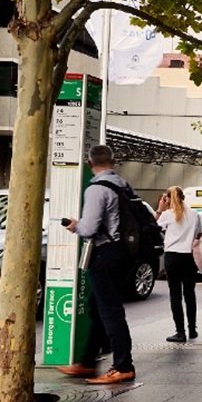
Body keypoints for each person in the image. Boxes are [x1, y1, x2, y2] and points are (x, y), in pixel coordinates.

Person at [57, 145, 136, 384]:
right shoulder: (123, 185)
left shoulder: (96, 189)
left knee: (110, 311)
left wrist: (75, 225)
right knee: (97, 308)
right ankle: (88, 363)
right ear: (113, 161)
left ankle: (123, 366)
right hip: (123, 253)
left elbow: (89, 228)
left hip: (105, 253)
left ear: (89, 164)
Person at [155, 186, 202, 342]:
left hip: (172, 257)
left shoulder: (167, 215)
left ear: (168, 199)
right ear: (183, 198)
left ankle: (180, 332)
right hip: (188, 257)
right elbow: (199, 234)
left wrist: (159, 209)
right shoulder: (195, 214)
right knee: (190, 294)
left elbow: (155, 228)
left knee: (175, 295)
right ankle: (192, 329)